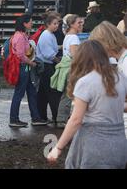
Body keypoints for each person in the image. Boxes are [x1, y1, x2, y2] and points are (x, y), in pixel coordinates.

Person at [47, 40, 127, 168]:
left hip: (94, 144)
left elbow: (76, 120)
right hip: (119, 144)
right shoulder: (120, 78)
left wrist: (58, 147)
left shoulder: (86, 82)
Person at [9, 14, 48, 127]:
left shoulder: (20, 35)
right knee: (19, 94)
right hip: (24, 67)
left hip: (24, 67)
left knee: (31, 93)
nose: (32, 23)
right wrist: (31, 63)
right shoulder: (21, 37)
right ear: (24, 24)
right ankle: (14, 119)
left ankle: (35, 117)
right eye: (30, 22)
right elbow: (21, 55)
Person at [53, 14, 84, 126]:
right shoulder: (74, 37)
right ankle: (62, 120)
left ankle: (62, 118)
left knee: (67, 94)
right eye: (79, 23)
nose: (81, 25)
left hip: (66, 66)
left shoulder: (68, 35)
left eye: (81, 23)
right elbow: (75, 55)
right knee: (68, 94)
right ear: (71, 25)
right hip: (71, 68)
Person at [36, 13, 61, 123]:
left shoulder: (50, 34)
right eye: (54, 24)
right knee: (52, 92)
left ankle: (42, 116)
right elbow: (49, 54)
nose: (56, 26)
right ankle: (56, 115)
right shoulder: (46, 35)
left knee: (43, 93)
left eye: (57, 24)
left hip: (47, 65)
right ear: (48, 24)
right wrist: (59, 61)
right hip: (46, 66)